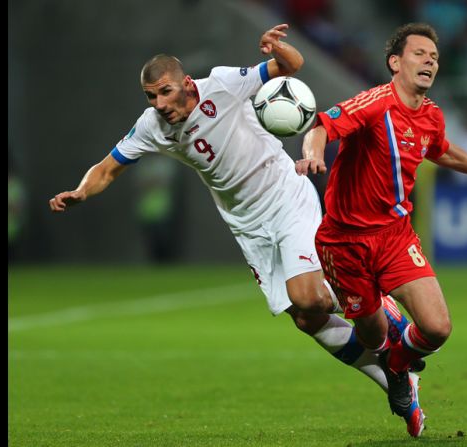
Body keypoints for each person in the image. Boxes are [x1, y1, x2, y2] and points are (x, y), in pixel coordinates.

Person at [48, 23, 419, 418]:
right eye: (151, 96)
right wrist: (81, 191)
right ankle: (394, 380)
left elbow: (290, 66)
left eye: (165, 92)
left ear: (187, 84)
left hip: (284, 194)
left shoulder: (223, 85)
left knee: (309, 296)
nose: (159, 103)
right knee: (306, 319)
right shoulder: (152, 126)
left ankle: (380, 309)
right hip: (246, 224)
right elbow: (107, 168)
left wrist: (276, 49)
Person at [297, 22, 467, 437]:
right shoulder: (373, 104)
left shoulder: (430, 116)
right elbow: (321, 127)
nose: (430, 61)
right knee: (373, 334)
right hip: (344, 241)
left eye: (435, 57)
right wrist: (314, 155)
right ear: (395, 62)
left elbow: (440, 149)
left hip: (394, 236)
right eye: (420, 53)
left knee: (437, 327)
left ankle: (399, 369)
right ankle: (388, 347)